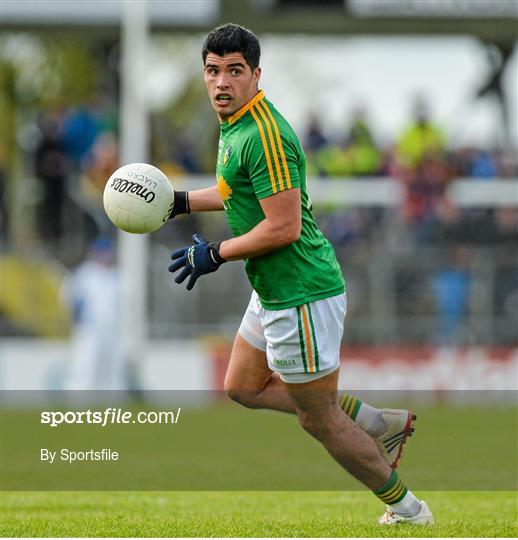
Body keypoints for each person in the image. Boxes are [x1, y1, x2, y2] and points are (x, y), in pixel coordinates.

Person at [168, 23, 434, 526]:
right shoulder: (236, 125)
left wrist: (217, 253)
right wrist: (179, 202)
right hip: (273, 287)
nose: (221, 82)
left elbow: (284, 227)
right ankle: (376, 421)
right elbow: (233, 190)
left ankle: (408, 510)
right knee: (243, 385)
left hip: (300, 293)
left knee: (319, 419)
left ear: (256, 75)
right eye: (212, 71)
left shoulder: (264, 133)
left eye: (234, 71)